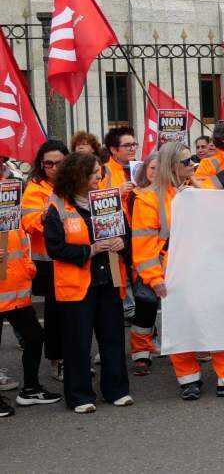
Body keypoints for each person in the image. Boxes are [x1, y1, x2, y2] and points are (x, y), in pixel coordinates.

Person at [132, 142, 224, 400]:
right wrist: (154, 279)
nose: (192, 165)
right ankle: (188, 379)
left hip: (206, 266)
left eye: (192, 160)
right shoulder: (147, 199)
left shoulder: (201, 186)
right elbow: (143, 245)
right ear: (172, 166)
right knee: (181, 324)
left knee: (216, 320)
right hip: (173, 272)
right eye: (186, 162)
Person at [44, 152, 132, 412]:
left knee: (113, 338)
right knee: (78, 343)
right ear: (78, 175)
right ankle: (80, 396)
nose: (99, 177)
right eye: (94, 173)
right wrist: (90, 251)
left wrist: (121, 242)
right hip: (76, 286)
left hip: (109, 280)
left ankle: (117, 390)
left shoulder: (107, 200)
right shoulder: (57, 205)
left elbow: (126, 233)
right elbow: (55, 248)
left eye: (99, 172)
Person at [0, 177, 62, 417]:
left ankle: (30, 388)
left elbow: (23, 235)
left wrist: (28, 268)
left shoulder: (10, 197)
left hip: (15, 290)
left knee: (35, 337)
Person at [20, 140, 68, 383]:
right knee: (55, 312)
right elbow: (29, 223)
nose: (53, 168)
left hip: (74, 255)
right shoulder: (35, 188)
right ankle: (56, 361)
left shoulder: (74, 184)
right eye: (48, 163)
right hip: (48, 260)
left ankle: (72, 358)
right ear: (41, 165)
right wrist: (51, 213)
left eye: (59, 163)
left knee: (75, 312)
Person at [127, 153, 160, 374]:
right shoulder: (134, 196)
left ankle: (183, 347)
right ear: (144, 170)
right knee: (145, 308)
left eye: (160, 168)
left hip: (172, 261)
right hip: (145, 260)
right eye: (152, 168)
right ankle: (141, 353)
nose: (155, 172)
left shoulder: (177, 193)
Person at [100, 127, 138, 197]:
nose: (132, 149)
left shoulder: (143, 168)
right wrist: (117, 193)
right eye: (127, 145)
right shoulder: (102, 171)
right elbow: (94, 201)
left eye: (133, 144)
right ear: (113, 150)